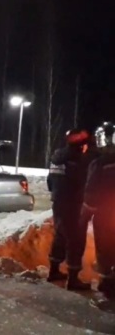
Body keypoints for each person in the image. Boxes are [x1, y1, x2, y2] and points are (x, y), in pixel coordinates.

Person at [46, 128, 95, 290]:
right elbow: (84, 183)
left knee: (60, 235)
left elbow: (49, 182)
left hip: (58, 202)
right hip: (74, 205)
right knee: (76, 240)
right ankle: (73, 280)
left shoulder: (56, 157)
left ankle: (53, 271)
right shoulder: (79, 160)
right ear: (82, 145)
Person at [81, 122, 115, 303]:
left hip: (106, 214)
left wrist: (85, 214)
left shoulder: (99, 163)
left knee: (105, 249)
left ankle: (108, 286)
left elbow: (92, 190)